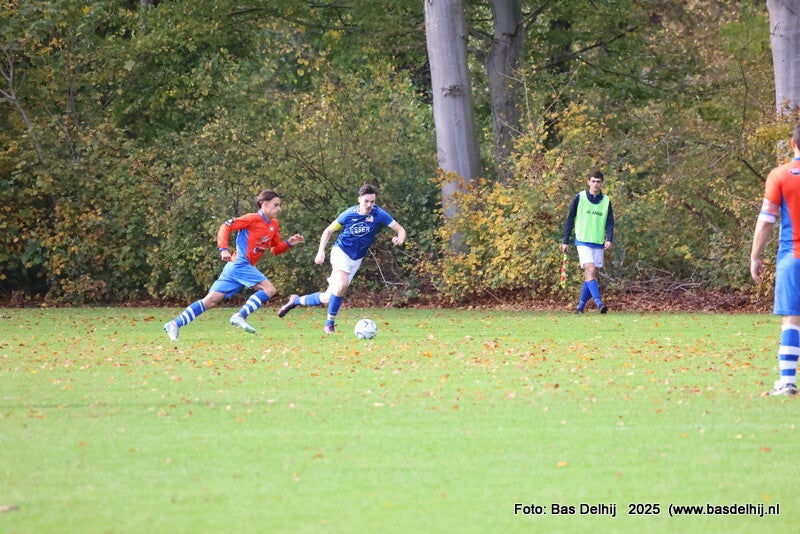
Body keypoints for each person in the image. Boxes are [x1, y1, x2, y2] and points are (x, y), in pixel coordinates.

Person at [163, 190, 305, 341]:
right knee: (269, 289)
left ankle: (174, 323)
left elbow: (275, 249)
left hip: (236, 267)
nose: (279, 208)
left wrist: (289, 243)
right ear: (264, 204)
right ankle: (240, 316)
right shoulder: (252, 218)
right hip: (239, 264)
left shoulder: (274, 224)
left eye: (279, 205)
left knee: (211, 301)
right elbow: (225, 226)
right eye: (276, 205)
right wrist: (223, 249)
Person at [277, 183, 406, 333]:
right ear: (359, 199)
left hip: (356, 259)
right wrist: (321, 251)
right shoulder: (349, 214)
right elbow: (328, 231)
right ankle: (329, 324)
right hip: (341, 251)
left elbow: (400, 229)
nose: (369, 205)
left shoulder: (379, 214)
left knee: (328, 297)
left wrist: (400, 239)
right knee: (342, 284)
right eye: (366, 201)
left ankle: (295, 300)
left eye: (372, 201)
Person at [750, 121, 800, 396]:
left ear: (793, 143)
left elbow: (767, 220)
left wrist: (755, 255)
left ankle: (787, 382)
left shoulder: (779, 175)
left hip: (793, 257)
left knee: (792, 318)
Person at [561, 169, 614, 314]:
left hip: (597, 241)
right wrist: (566, 240)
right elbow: (570, 219)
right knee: (590, 269)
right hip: (582, 240)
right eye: (593, 181)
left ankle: (580, 307)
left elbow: (610, 222)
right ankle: (599, 303)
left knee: (590, 274)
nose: (595, 184)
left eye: (598, 182)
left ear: (602, 183)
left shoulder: (606, 201)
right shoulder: (580, 197)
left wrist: (609, 238)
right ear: (588, 182)